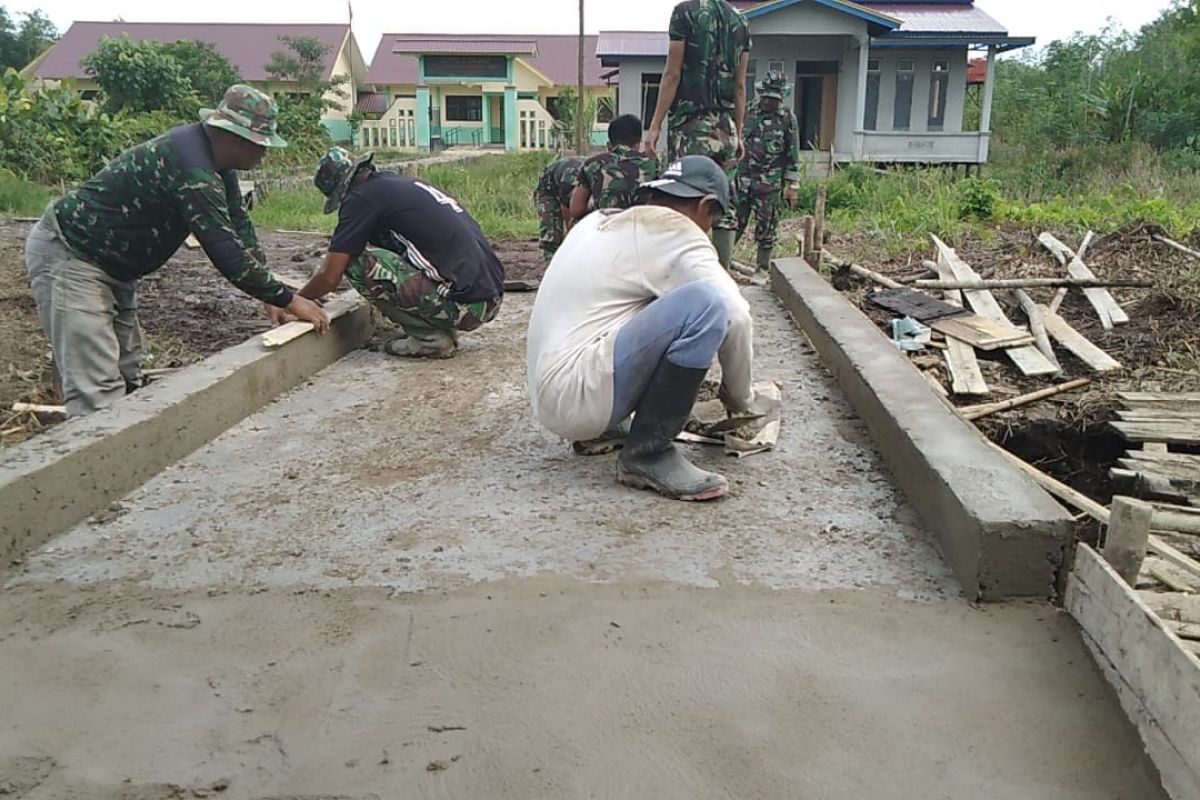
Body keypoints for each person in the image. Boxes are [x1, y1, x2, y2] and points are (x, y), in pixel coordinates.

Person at [24, 84, 327, 417]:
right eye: (261, 145)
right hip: (73, 256)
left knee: (127, 373)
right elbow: (224, 250)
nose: (265, 153)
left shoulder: (216, 162)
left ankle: (132, 453)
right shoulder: (191, 168)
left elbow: (238, 224)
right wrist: (288, 298)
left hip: (115, 267)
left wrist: (269, 292)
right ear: (235, 137)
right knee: (96, 390)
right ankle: (102, 463)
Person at [527, 156, 773, 502]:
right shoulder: (677, 231)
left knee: (652, 300)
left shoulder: (601, 221)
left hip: (551, 392)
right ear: (705, 206)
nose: (707, 232)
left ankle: (605, 431)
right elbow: (737, 316)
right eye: (712, 222)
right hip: (577, 395)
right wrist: (740, 400)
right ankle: (648, 453)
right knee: (707, 304)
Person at [301, 147, 504, 359]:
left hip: (468, 306)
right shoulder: (395, 185)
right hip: (489, 298)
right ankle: (439, 324)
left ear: (341, 190)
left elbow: (330, 276)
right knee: (383, 254)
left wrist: (295, 301)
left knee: (355, 262)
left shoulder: (361, 199)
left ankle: (430, 339)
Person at [642, 0, 752, 271]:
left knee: (686, 199)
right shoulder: (740, 21)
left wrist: (655, 124)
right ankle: (722, 274)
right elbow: (740, 85)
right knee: (723, 204)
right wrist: (738, 132)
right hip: (726, 128)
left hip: (692, 127)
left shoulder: (684, 12)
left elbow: (672, 74)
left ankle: (690, 273)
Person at [735, 70, 800, 273]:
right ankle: (721, 263)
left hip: (769, 184)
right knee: (732, 223)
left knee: (766, 228)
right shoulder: (748, 112)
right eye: (765, 97)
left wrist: (793, 186)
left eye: (773, 99)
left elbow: (793, 155)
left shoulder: (787, 119)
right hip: (743, 181)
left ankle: (762, 269)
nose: (768, 102)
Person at [568, 114, 660, 222]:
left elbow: (576, 210)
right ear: (638, 144)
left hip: (608, 229)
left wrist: (596, 207)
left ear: (609, 145)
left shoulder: (592, 164)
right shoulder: (653, 164)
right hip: (642, 228)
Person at [533, 155, 584, 263]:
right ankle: (551, 262)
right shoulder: (569, 183)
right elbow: (569, 215)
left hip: (573, 178)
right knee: (551, 230)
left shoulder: (596, 179)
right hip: (548, 188)